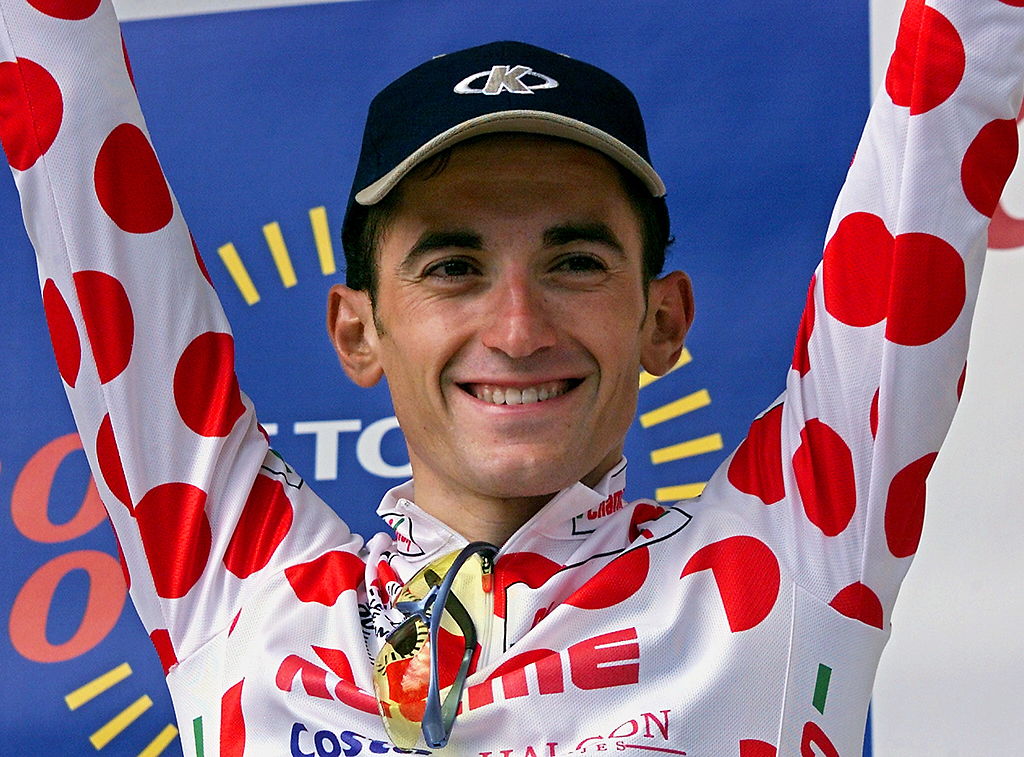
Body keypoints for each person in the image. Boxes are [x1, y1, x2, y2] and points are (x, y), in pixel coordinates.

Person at [1, 0, 1020, 754]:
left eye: (575, 261)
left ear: (662, 319)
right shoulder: (243, 593)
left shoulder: (789, 562)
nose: (519, 328)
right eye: (454, 267)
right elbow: (60, 101)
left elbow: (951, 85)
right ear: (357, 329)